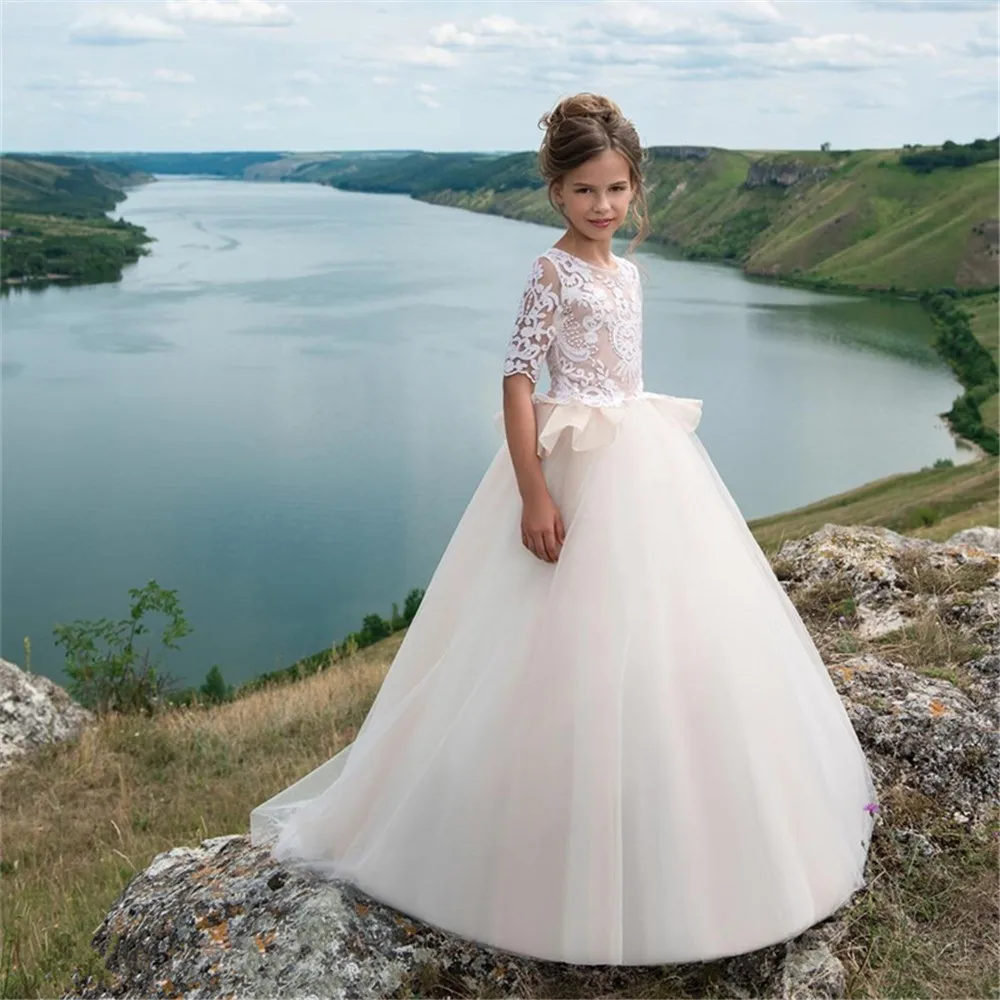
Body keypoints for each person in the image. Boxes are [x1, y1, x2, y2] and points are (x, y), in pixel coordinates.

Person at [250, 92, 878, 967]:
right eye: (585, 191)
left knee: (664, 647)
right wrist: (534, 491)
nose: (604, 206)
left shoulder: (628, 271)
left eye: (617, 188)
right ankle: (539, 835)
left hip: (647, 466)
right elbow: (515, 380)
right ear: (556, 193)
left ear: (635, 189)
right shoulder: (551, 274)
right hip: (572, 470)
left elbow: (624, 373)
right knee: (551, 650)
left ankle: (669, 822)